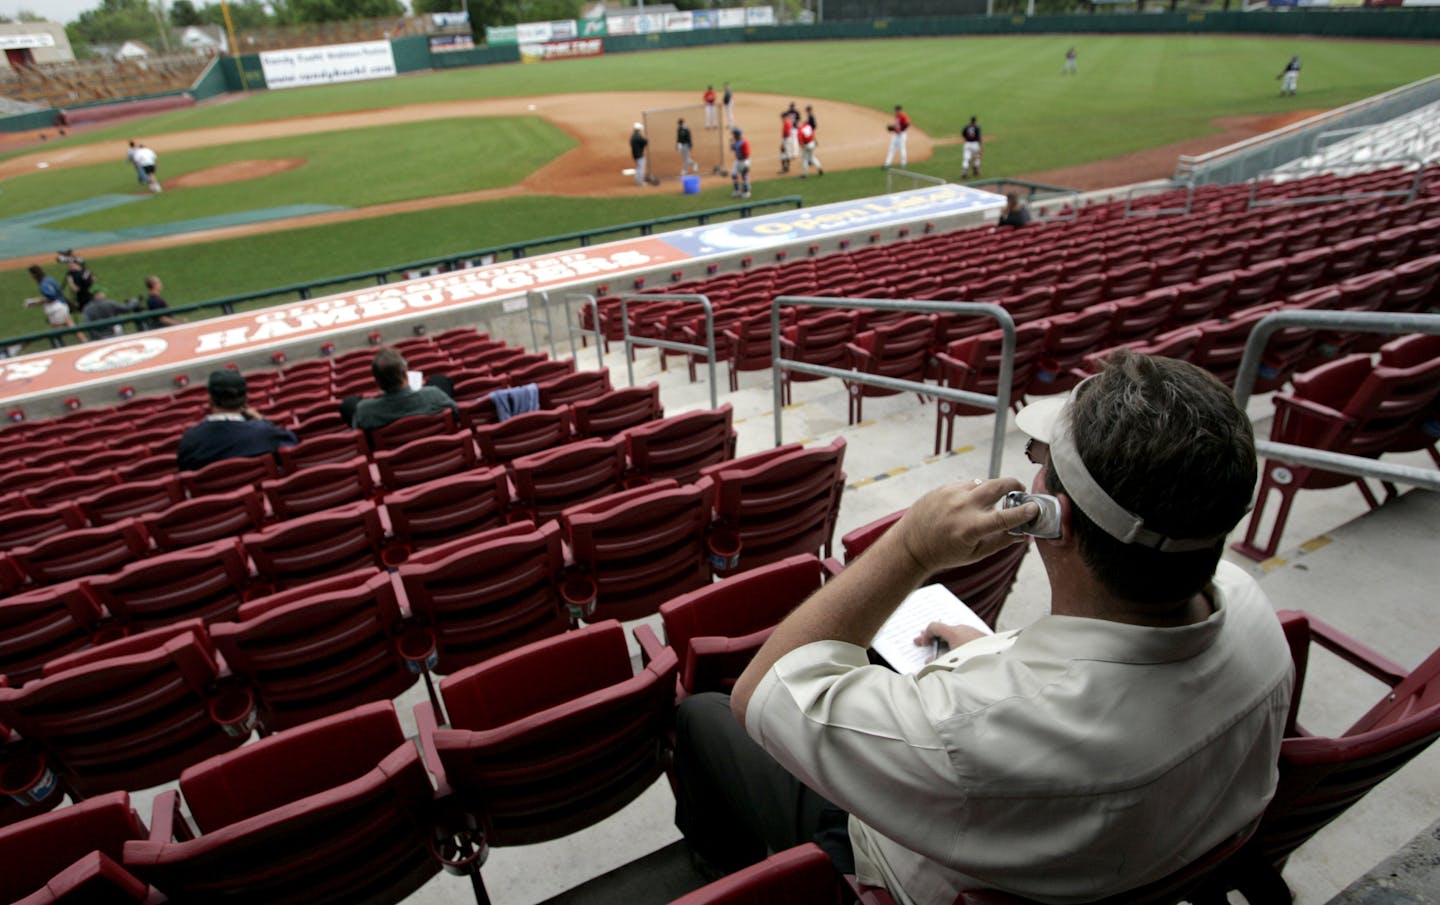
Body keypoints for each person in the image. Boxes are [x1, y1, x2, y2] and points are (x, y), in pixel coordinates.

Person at [674, 350, 1293, 904]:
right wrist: (991, 651)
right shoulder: (1255, 615)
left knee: (701, 714)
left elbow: (766, 689)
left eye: (1039, 461)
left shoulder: (960, 736)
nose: (1033, 472)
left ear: (1055, 519)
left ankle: (725, 874)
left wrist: (912, 547)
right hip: (1130, 860)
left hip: (895, 868)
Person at [176, 370, 298, 471]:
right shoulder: (264, 431)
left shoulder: (190, 440)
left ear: (210, 400)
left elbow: (185, 471)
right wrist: (262, 421)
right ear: (245, 400)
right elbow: (291, 444)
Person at [349, 347, 458, 431]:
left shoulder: (365, 412)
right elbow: (456, 414)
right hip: (438, 450)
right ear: (406, 375)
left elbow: (359, 436)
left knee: (349, 403)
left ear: (378, 382)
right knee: (439, 379)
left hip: (393, 458)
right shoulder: (434, 396)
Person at [24, 264, 74, 341]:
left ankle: (60, 347)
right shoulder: (49, 279)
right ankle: (84, 342)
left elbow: (51, 297)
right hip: (62, 305)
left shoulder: (43, 284)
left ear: (34, 274)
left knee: (57, 332)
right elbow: (59, 291)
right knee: (70, 326)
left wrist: (35, 302)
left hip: (57, 308)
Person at [730, 127, 751, 199]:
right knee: (734, 175)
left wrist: (746, 164)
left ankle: (746, 192)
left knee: (744, 176)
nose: (733, 136)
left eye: (734, 134)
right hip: (737, 160)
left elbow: (747, 154)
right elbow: (732, 149)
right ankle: (737, 191)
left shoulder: (744, 142)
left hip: (744, 161)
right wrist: (731, 143)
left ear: (737, 135)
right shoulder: (736, 142)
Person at [630, 122, 649, 187]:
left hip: (635, 155)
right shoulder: (638, 137)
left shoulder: (633, 136)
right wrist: (646, 139)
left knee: (638, 168)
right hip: (639, 155)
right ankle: (640, 182)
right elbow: (645, 142)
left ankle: (638, 180)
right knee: (641, 168)